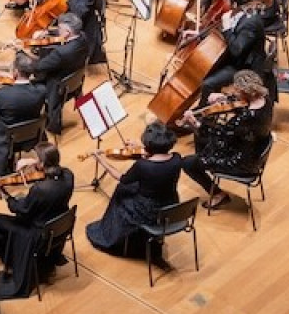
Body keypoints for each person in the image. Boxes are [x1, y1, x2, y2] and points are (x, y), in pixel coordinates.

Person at [85, 121, 184, 270]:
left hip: (148, 211)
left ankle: (112, 237)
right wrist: (139, 149)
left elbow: (123, 178)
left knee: (121, 191)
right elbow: (156, 164)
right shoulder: (176, 158)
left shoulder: (143, 166)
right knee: (129, 188)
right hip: (170, 205)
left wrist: (101, 160)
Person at [0, 143, 76, 297]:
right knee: (22, 199)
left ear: (42, 164)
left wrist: (4, 193)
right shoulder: (68, 175)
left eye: (37, 160)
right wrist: (32, 163)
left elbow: (21, 211)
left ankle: (10, 259)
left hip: (36, 232)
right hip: (58, 224)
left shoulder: (40, 190)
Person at [178, 70, 273, 211]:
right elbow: (242, 106)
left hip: (240, 161)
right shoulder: (265, 99)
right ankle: (202, 158)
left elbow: (217, 134)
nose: (234, 92)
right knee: (203, 146)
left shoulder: (246, 119)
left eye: (237, 90)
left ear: (246, 92)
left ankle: (218, 194)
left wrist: (195, 123)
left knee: (188, 163)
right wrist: (225, 98)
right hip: (253, 149)